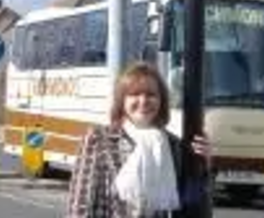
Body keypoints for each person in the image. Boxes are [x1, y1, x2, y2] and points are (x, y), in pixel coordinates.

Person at [65, 61, 211, 218]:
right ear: (122, 101)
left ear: (161, 101)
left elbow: (194, 204)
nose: (143, 101)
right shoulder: (99, 139)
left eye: (151, 94)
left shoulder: (174, 145)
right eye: (134, 94)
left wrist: (203, 166)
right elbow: (80, 205)